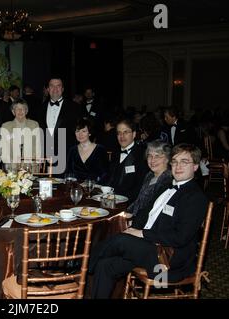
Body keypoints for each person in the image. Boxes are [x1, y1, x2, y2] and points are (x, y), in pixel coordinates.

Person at [89, 143, 208, 298]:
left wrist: (142, 234)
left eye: (184, 162)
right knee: (106, 266)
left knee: (120, 241)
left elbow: (180, 238)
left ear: (195, 167)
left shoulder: (195, 197)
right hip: (149, 250)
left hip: (167, 261)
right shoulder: (166, 187)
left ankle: (80, 267)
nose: (178, 166)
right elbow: (145, 214)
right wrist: (132, 227)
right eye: (175, 162)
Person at [38, 77, 80, 172]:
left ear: (62, 89)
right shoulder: (40, 108)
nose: (55, 89)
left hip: (66, 156)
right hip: (45, 158)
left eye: (58, 86)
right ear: (48, 89)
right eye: (52, 86)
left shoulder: (75, 107)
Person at [127, 140, 173, 229]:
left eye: (157, 156)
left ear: (167, 159)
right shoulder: (150, 175)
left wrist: (133, 221)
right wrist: (127, 212)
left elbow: (152, 210)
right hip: (137, 219)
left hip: (149, 226)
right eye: (150, 156)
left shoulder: (168, 180)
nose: (152, 160)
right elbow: (139, 200)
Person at [106, 118, 148, 202]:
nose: (122, 136)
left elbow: (140, 186)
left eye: (125, 132)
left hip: (129, 203)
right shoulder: (115, 153)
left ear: (134, 134)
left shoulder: (142, 155)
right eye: (119, 133)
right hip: (110, 200)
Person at [0, 99, 42, 167]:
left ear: (26, 111)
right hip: (12, 168)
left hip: (31, 167)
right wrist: (10, 164)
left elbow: (38, 147)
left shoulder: (34, 125)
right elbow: (2, 148)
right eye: (17, 109)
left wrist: (36, 164)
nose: (20, 111)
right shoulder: (6, 126)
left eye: (23, 108)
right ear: (13, 112)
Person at [66, 118, 108, 183]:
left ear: (89, 133)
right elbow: (68, 172)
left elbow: (105, 174)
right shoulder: (72, 150)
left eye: (84, 131)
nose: (80, 134)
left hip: (94, 187)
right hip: (75, 187)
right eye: (77, 131)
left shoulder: (100, 149)